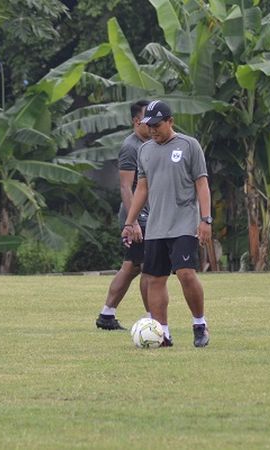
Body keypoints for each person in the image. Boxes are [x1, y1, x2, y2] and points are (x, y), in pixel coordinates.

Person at [121, 100, 211, 348]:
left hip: (184, 222)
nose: (152, 130)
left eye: (157, 125)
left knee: (185, 273)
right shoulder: (145, 150)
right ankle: (163, 334)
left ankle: (199, 323)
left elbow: (201, 183)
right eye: (149, 126)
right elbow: (142, 188)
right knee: (154, 279)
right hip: (156, 226)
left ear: (170, 121)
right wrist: (130, 222)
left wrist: (206, 219)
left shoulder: (189, 145)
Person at [96, 100, 152, 330]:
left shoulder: (150, 144)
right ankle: (154, 318)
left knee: (132, 267)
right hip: (138, 218)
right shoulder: (131, 147)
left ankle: (106, 315)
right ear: (136, 122)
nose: (153, 124)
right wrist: (134, 222)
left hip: (146, 216)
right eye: (148, 120)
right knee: (148, 267)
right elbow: (125, 187)